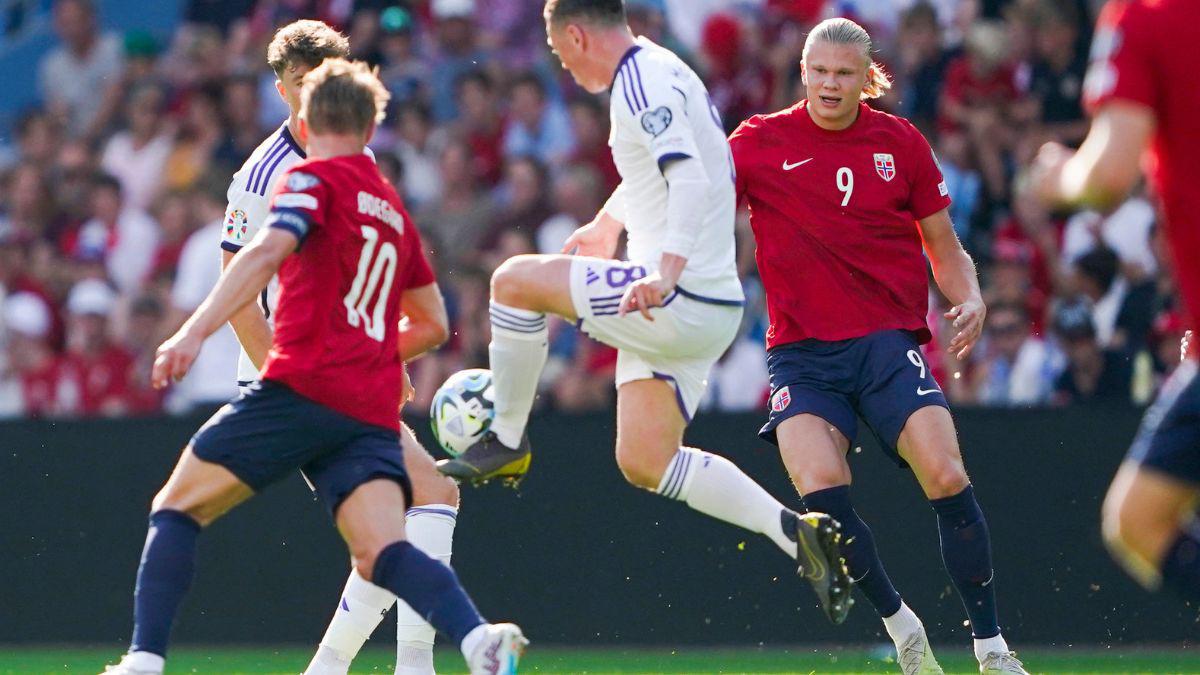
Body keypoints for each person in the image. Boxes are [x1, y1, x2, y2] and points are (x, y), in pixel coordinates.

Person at [100, 58, 526, 675]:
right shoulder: (390, 208)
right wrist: (373, 354)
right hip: (366, 405)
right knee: (383, 550)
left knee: (176, 507)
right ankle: (478, 639)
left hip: (297, 389)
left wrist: (192, 331)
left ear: (309, 113)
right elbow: (433, 323)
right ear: (371, 121)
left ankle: (144, 660)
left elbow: (264, 254)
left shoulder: (308, 179)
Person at [438, 0, 853, 624]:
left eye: (559, 52)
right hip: (704, 310)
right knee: (645, 459)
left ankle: (507, 439)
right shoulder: (665, 70)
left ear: (575, 35)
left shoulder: (639, 79)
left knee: (513, 281)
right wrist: (607, 224)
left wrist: (666, 271)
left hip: (677, 295)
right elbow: (656, 172)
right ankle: (794, 531)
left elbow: (686, 178)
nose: (563, 65)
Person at [728, 18, 1028, 675]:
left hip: (887, 344)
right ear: (803, 72)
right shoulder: (757, 142)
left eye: (845, 73)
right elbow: (699, 202)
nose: (831, 84)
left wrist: (971, 295)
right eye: (820, 71)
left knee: (946, 474)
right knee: (821, 493)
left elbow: (943, 247)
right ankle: (903, 626)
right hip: (802, 354)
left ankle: (990, 646)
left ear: (868, 79)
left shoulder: (901, 143)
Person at [220, 21, 467, 675]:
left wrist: (390, 355)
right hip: (295, 375)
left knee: (413, 508)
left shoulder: (353, 153)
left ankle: (353, 667)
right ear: (280, 90)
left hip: (345, 365)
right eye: (303, 85)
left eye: (328, 81)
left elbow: (368, 268)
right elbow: (237, 291)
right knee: (422, 499)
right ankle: (411, 663)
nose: (316, 97)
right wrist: (287, 380)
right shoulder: (261, 175)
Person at [1031, 0, 1200, 601]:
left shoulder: (1145, 15)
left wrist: (1053, 179)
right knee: (1140, 514)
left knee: (1138, 523)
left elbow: (1107, 177)